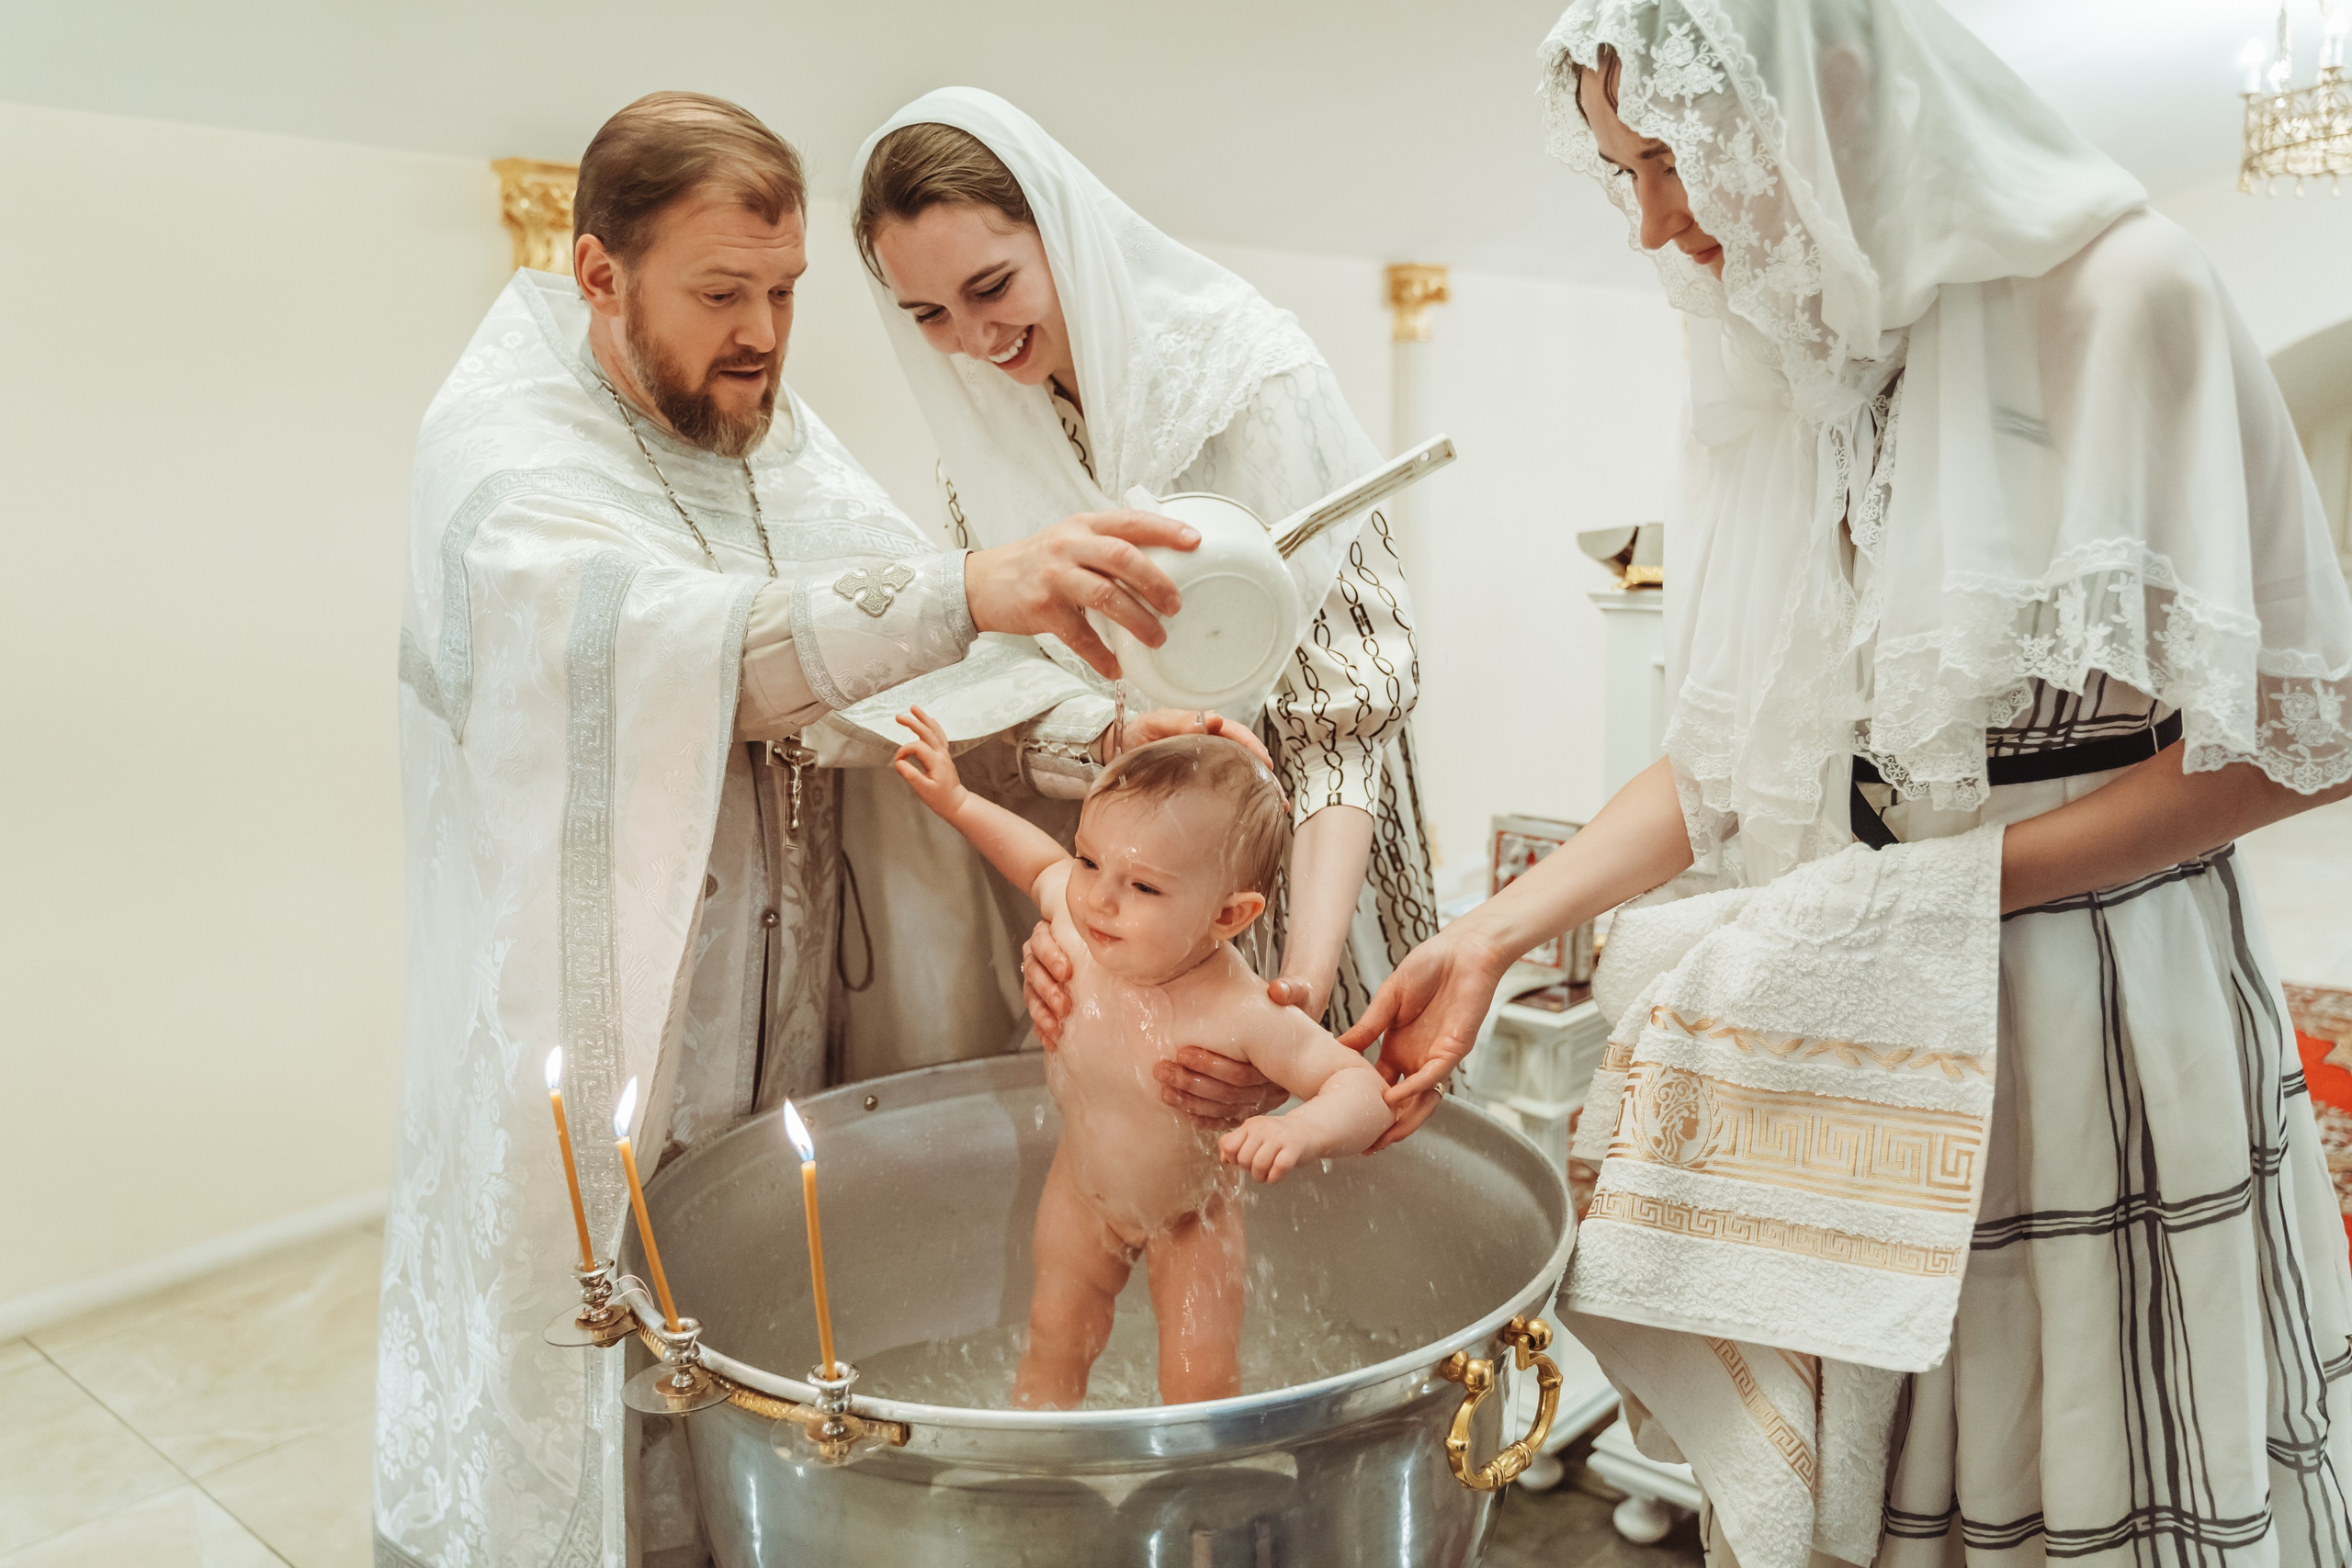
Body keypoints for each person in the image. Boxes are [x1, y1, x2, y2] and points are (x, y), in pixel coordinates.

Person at [1345, 3, 2352, 1563]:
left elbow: (2305, 741)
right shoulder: (1787, 355)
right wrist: (1490, 935)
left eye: (1680, 158)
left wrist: (1938, 888)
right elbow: (1745, 749)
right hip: (1887, 1017)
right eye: (1628, 176)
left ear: (1825, 92)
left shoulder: (2124, 291)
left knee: (2096, 1451)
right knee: (1910, 1485)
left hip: (2099, 1004)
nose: (1665, 226)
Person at [378, 90, 1254, 1568]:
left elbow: (902, 675)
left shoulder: (764, 438)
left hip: (793, 990)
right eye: (721, 292)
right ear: (599, 273)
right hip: (621, 1012)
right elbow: (687, 645)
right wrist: (971, 587)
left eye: (783, 292)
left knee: (775, 1335)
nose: (766, 335)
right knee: (608, 1358)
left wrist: (1097, 737)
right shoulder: (504, 456)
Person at [849, 90, 1439, 1118]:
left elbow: (1341, 718)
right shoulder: (987, 454)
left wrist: (1292, 991)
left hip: (1309, 884)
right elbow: (1017, 685)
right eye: (930, 316)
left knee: (1324, 1187)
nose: (975, 339)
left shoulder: (1251, 384)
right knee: (1147, 1213)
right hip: (1136, 909)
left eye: (992, 286)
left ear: (1062, 234)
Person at [891, 708, 1394, 1408]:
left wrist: (1300, 1129)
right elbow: (1039, 861)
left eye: (1145, 887)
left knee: (1199, 1383)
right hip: (1080, 1193)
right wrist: (958, 800)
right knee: (1054, 1338)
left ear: (1228, 917)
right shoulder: (1075, 919)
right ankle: (1035, 1478)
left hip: (1192, 1217)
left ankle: (1199, 1500)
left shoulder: (1241, 1010)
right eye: (1091, 860)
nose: (1099, 896)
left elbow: (1362, 1087)